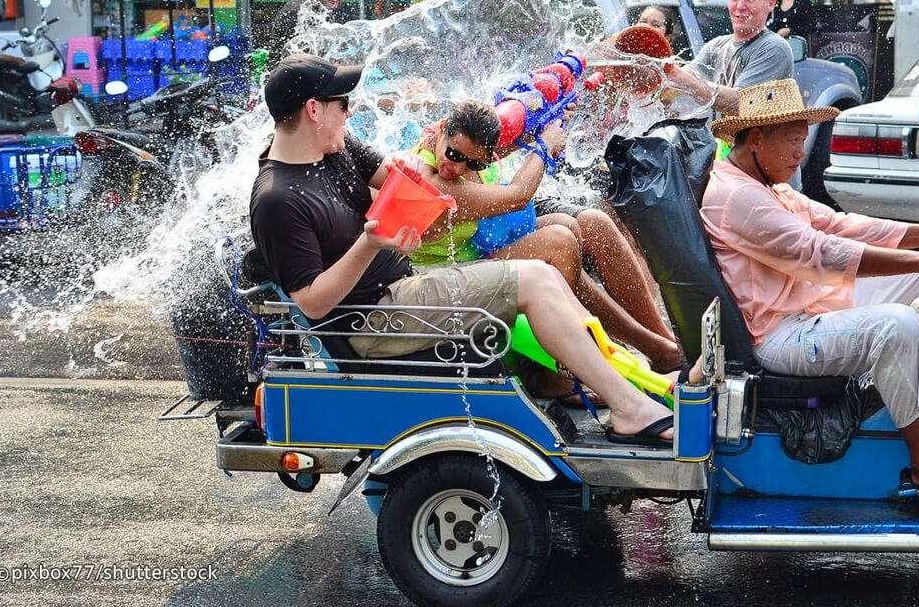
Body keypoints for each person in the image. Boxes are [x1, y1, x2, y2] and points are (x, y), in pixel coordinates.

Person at [248, 54, 674, 445]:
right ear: (313, 110)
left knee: (549, 267)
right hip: (373, 320)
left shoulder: (335, 148)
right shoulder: (277, 198)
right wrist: (370, 242)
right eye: (342, 103)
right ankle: (630, 403)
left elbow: (398, 176)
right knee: (536, 277)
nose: (350, 111)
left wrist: (411, 165)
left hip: (404, 288)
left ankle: (636, 380)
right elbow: (313, 303)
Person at [700, 79, 919, 501]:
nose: (801, 154)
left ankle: (908, 408)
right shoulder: (737, 197)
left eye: (802, 141)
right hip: (779, 336)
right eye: (794, 142)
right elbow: (821, 251)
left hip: (810, 306)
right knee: (898, 324)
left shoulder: (770, 186)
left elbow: (839, 224)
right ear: (757, 139)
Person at [406, 101, 682, 372]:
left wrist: (548, 118)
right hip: (441, 275)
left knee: (591, 224)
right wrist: (545, 144)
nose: (458, 168)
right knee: (559, 241)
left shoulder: (462, 146)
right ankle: (590, 362)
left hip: (477, 250)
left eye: (474, 164)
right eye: (454, 156)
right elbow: (517, 197)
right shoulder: (429, 177)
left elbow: (503, 144)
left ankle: (661, 339)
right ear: (442, 129)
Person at [665, 0, 794, 116]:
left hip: (758, 139)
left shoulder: (774, 47)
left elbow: (740, 103)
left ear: (771, 3)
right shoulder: (716, 46)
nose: (739, 6)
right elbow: (678, 84)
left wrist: (679, 76)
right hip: (724, 138)